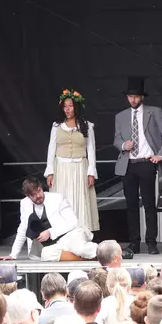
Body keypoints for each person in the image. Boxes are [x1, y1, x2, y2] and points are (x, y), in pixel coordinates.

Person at [114, 77, 162, 257]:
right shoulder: (120, 116)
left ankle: (151, 242)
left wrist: (160, 155)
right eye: (130, 97)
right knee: (131, 205)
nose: (132, 100)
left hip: (146, 163)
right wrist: (123, 145)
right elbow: (116, 139)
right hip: (128, 164)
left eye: (135, 96)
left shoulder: (154, 112)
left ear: (142, 97)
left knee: (149, 204)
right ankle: (134, 242)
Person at [0, 177, 97, 261]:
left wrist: (50, 232)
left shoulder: (57, 198)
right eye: (33, 195)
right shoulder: (24, 204)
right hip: (57, 243)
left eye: (39, 191)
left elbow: (73, 222)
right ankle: (82, 259)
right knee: (45, 254)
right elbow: (23, 229)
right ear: (27, 196)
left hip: (71, 234)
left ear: (41, 187)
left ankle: (104, 251)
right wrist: (13, 254)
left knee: (80, 249)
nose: (38, 196)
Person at [45, 89, 99, 232]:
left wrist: (91, 172)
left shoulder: (87, 126)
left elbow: (91, 149)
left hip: (79, 167)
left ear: (76, 107)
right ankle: (62, 233)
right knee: (63, 199)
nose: (67, 109)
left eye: (70, 106)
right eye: (65, 106)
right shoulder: (57, 126)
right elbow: (51, 148)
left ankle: (80, 232)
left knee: (79, 199)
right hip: (61, 168)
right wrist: (50, 171)